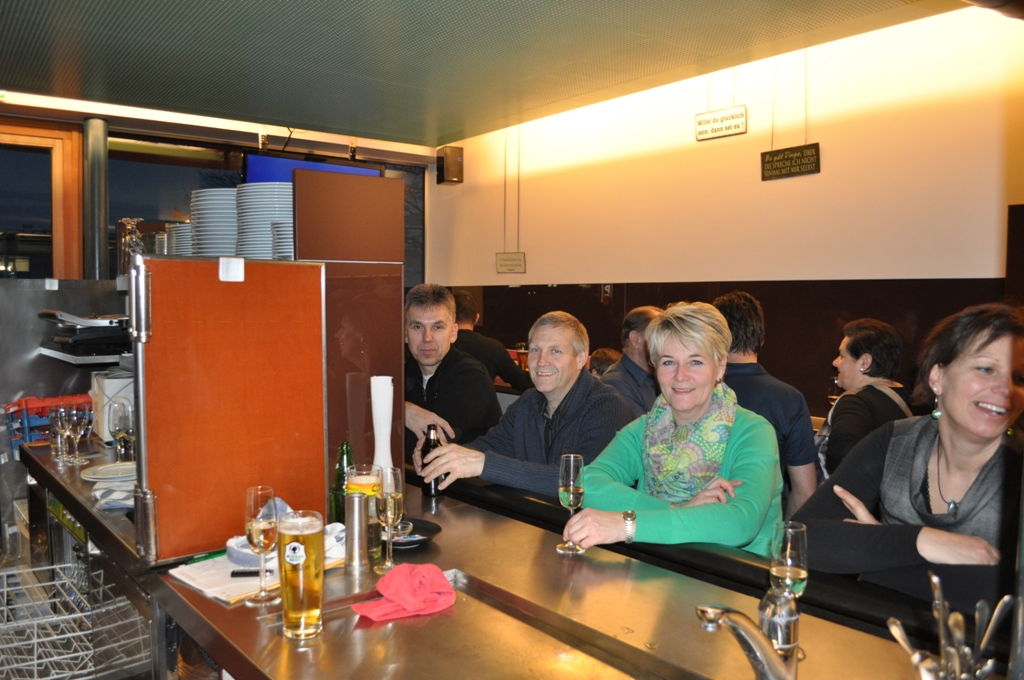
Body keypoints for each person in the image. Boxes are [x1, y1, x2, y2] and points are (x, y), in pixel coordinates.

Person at [794, 302, 1024, 610]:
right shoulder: (894, 442)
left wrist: (876, 550)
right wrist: (919, 541)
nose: (1006, 389)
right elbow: (798, 541)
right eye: (986, 369)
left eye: (1019, 378)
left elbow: (1000, 597)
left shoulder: (1017, 467)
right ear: (937, 377)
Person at [562, 303, 782, 556]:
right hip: (656, 570)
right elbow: (588, 482)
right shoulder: (646, 429)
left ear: (720, 367)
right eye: (668, 362)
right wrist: (677, 509)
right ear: (655, 368)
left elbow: (740, 523)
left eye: (695, 362)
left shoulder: (754, 433)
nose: (680, 376)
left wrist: (628, 525)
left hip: (734, 576)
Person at [415, 311, 635, 495]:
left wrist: (485, 464)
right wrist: (442, 456)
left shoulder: (608, 407)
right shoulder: (527, 403)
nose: (541, 361)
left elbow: (580, 482)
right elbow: (486, 447)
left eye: (555, 351)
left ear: (581, 358)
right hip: (536, 525)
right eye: (536, 350)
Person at [713, 291, 818, 518]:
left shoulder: (690, 391)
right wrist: (780, 534)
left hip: (698, 520)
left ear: (713, 338)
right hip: (763, 526)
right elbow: (805, 490)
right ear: (761, 340)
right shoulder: (789, 399)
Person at [403, 284, 501, 459]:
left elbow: (431, 445)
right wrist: (404, 410)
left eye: (438, 327)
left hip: (472, 476)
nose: (427, 338)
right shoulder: (400, 373)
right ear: (405, 333)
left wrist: (396, 411)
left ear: (454, 333)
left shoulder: (471, 377)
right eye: (417, 327)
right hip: (412, 474)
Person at [820, 318, 913, 475]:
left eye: (842, 356)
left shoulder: (854, 402)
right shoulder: (912, 399)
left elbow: (842, 461)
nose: (835, 362)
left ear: (864, 362)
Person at [451, 290, 533, 393]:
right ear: (477, 318)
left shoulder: (441, 347)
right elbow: (522, 382)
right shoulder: (493, 348)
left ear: (450, 318)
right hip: (481, 403)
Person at [602, 306, 662, 417]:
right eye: (657, 336)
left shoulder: (656, 376)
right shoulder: (615, 383)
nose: (664, 342)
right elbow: (647, 428)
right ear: (636, 339)